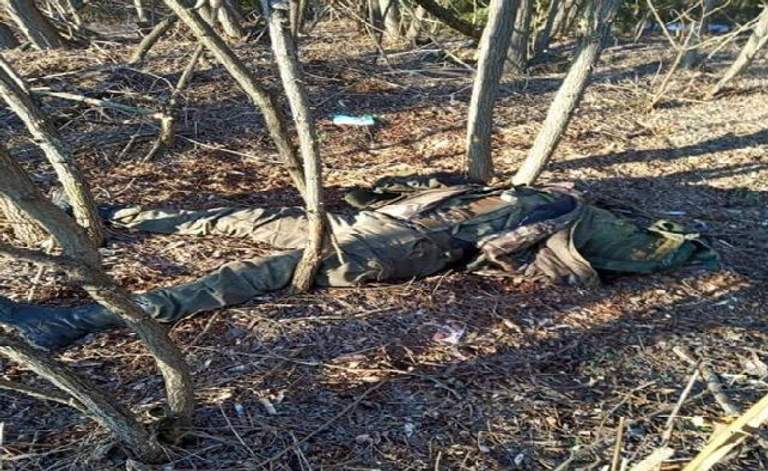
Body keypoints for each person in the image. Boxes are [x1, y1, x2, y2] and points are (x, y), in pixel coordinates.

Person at [0, 174, 717, 351]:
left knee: (246, 276)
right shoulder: (522, 190)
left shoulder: (589, 220)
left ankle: (76, 320)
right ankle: (106, 216)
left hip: (404, 249)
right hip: (382, 219)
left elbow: (661, 254)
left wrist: (682, 242)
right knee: (241, 217)